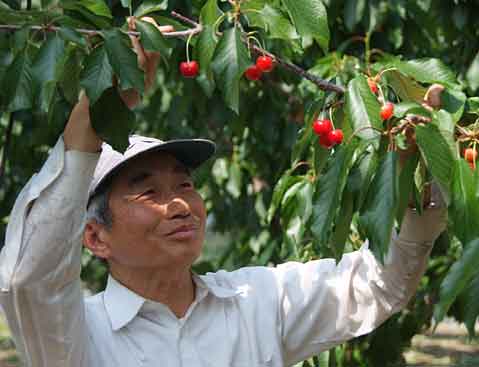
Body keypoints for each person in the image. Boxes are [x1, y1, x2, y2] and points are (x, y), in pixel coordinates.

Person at [0, 19, 447, 367]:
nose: (178, 203)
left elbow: (378, 285)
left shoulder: (257, 302)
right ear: (96, 237)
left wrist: (415, 177)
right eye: (148, 192)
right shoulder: (79, 337)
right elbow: (29, 277)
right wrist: (92, 122)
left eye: (185, 185)